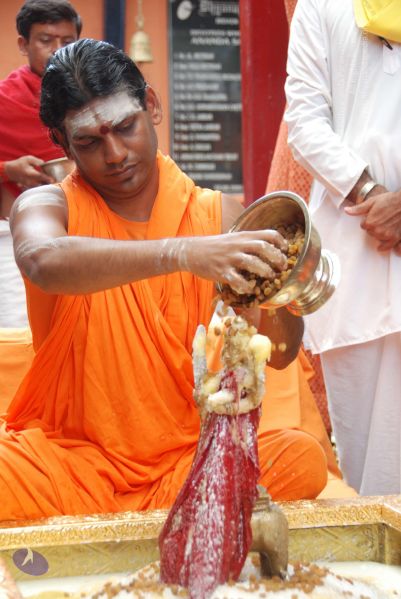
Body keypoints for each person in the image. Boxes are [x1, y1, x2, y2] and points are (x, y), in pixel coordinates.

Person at [0, 38, 334, 521]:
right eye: (89, 142)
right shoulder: (48, 206)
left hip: (187, 464)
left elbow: (281, 354)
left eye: (125, 127)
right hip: (70, 465)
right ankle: (169, 524)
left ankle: (139, 525)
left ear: (151, 107)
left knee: (300, 460)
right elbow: (42, 260)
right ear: (62, 142)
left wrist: (279, 288)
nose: (115, 153)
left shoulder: (218, 216)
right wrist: (182, 253)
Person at [285, 0, 401, 495]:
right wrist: (370, 193)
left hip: (363, 236)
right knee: (370, 461)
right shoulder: (320, 5)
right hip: (358, 251)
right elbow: (304, 122)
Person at [0, 0, 81, 328]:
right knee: (21, 332)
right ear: (24, 44)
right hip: (14, 238)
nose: (57, 50)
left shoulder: (87, 95)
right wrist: (8, 169)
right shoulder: (5, 99)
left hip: (84, 234)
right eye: (46, 40)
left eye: (67, 41)